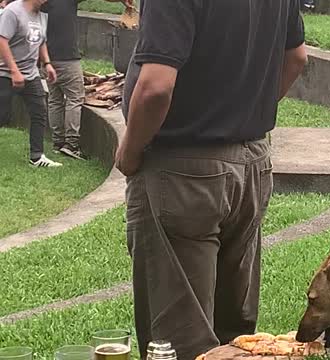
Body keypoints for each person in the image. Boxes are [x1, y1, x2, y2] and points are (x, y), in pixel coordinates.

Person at [115, 0, 308, 358]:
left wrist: (130, 150)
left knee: (179, 340)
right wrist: (242, 112)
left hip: (184, 170)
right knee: (234, 335)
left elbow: (156, 86)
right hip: (251, 163)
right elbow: (296, 58)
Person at [42, 0, 131, 160]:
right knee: (75, 98)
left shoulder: (42, 3)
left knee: (55, 100)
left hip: (47, 57)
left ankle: (57, 142)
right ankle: (71, 144)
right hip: (67, 58)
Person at [0, 0, 61, 167]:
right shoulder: (13, 12)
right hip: (5, 74)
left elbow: (41, 41)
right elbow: (2, 41)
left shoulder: (41, 14)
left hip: (30, 74)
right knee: (2, 115)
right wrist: (14, 71)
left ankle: (37, 156)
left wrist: (47, 64)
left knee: (39, 111)